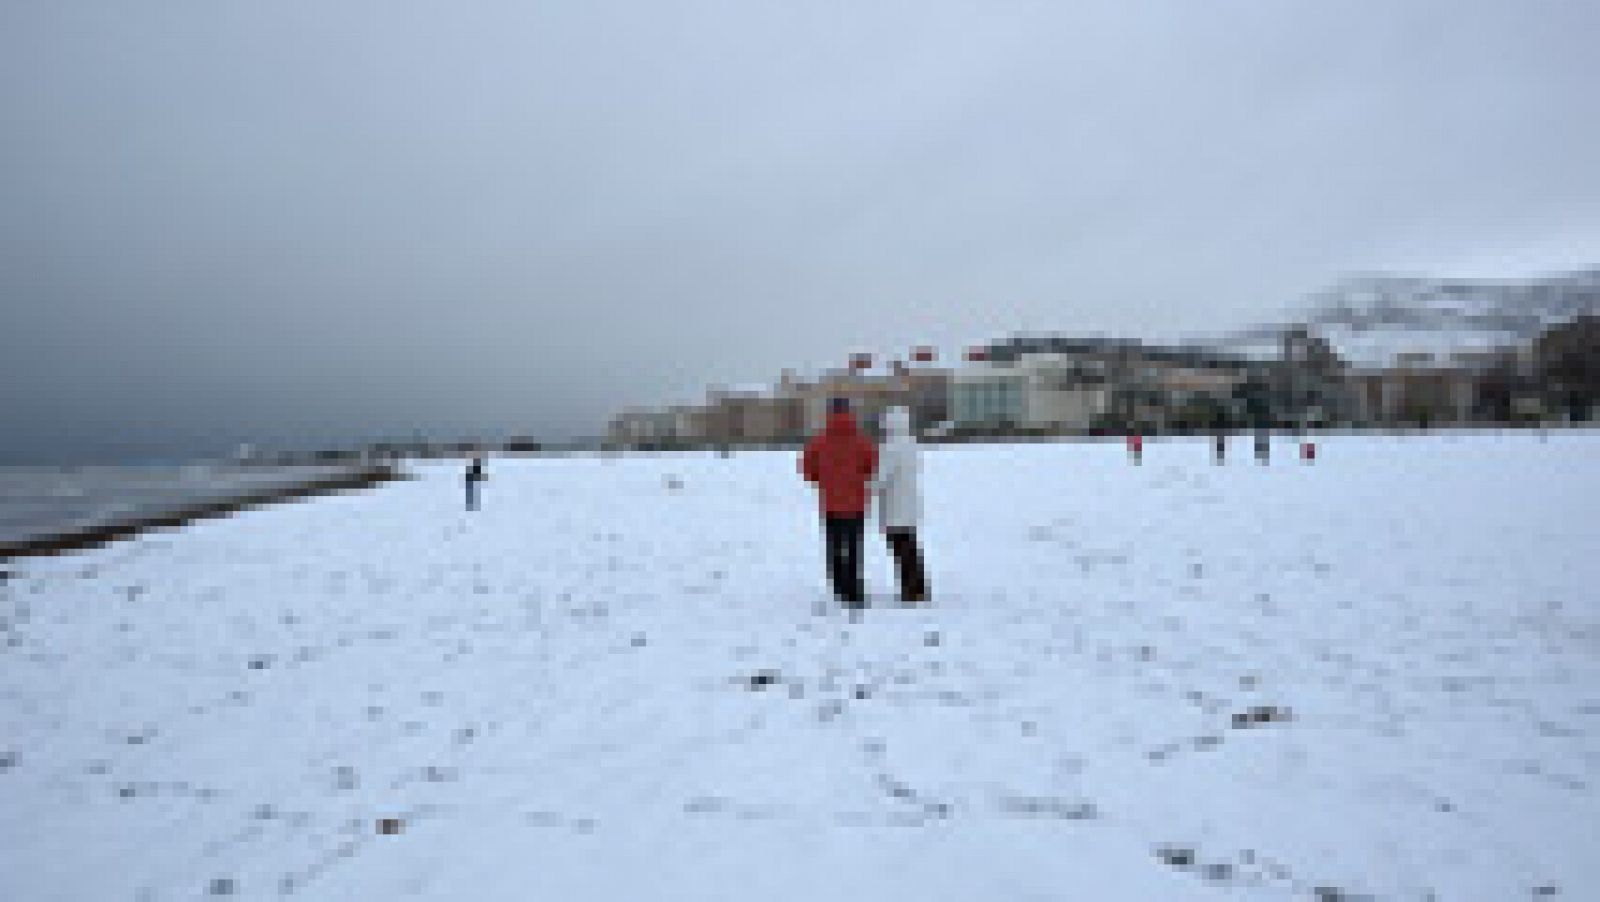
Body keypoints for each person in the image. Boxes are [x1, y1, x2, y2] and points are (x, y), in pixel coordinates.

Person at [800, 398, 877, 608]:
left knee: (834, 546)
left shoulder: (819, 441)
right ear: (850, 413)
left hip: (831, 503)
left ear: (829, 414)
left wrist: (823, 480)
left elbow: (807, 470)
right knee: (854, 547)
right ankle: (854, 590)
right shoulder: (862, 441)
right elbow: (872, 468)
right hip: (857, 503)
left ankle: (839, 586)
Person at [871, 407, 929, 603]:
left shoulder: (890, 448)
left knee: (901, 551)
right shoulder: (911, 445)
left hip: (895, 507)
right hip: (911, 505)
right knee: (912, 549)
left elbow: (880, 479)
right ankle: (919, 587)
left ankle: (909, 590)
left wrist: (865, 484)